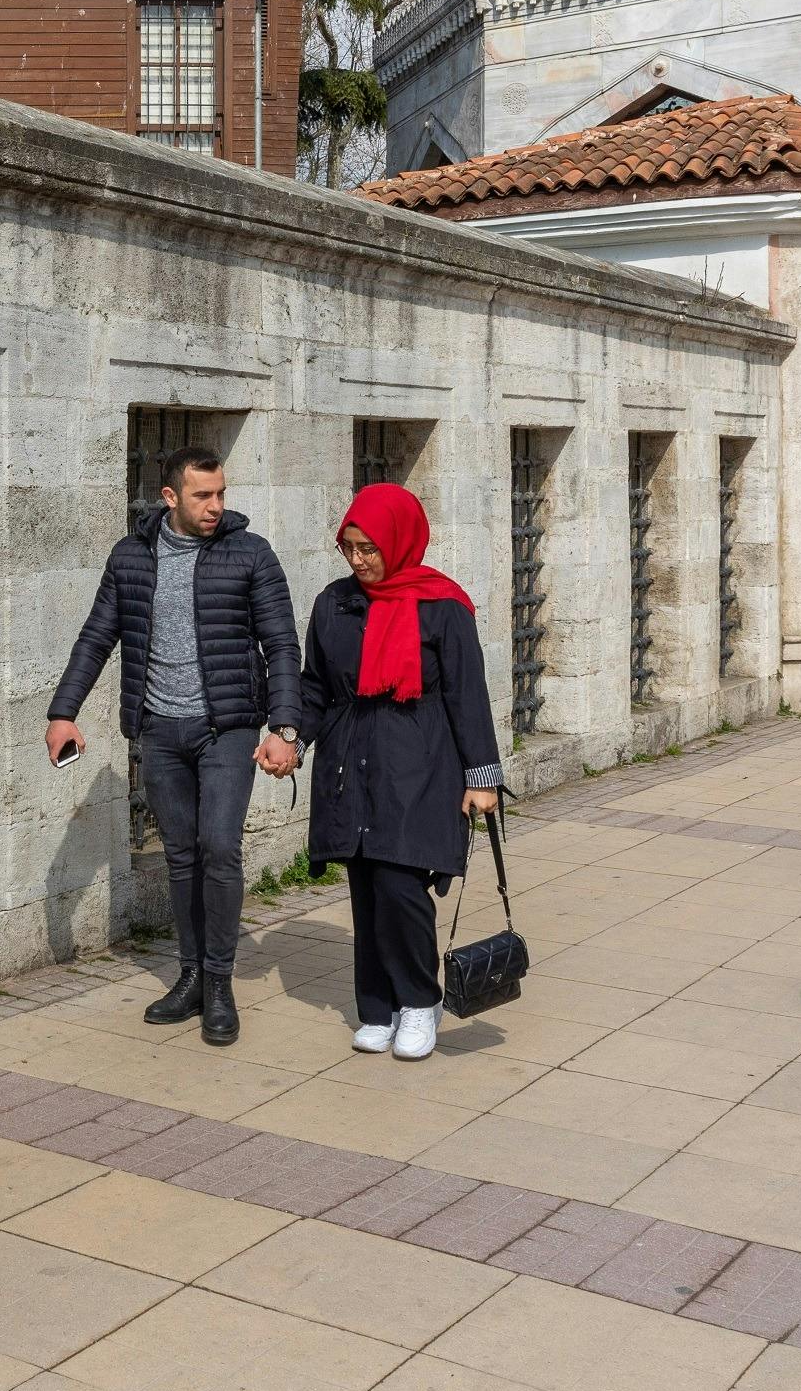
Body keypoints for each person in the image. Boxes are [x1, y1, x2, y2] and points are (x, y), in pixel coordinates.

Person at [45, 446, 303, 1046]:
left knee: (221, 849)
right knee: (181, 855)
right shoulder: (130, 557)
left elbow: (282, 644)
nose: (215, 506)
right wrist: (63, 712)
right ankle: (190, 977)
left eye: (221, 494)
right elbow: (97, 635)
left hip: (227, 728)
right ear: (170, 497)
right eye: (202, 495)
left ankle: (219, 983)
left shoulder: (251, 553)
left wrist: (285, 729)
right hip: (160, 730)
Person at [301, 485, 501, 1061]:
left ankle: (418, 1001)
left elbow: (468, 695)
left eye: (369, 548)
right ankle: (377, 1008)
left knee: (400, 883)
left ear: (399, 540)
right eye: (349, 547)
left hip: (420, 764)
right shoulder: (334, 603)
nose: (359, 559)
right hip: (350, 761)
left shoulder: (442, 606)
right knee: (365, 886)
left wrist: (481, 777)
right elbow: (315, 685)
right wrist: (290, 736)